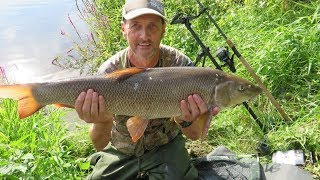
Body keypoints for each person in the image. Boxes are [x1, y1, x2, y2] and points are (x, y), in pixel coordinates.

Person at [75, 0, 219, 179]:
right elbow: (99, 144)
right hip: (122, 149)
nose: (144, 36)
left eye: (152, 26)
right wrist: (102, 122)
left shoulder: (181, 67)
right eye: (135, 26)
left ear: (164, 29)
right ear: (123, 29)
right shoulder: (109, 73)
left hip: (165, 146)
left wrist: (186, 120)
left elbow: (195, 135)